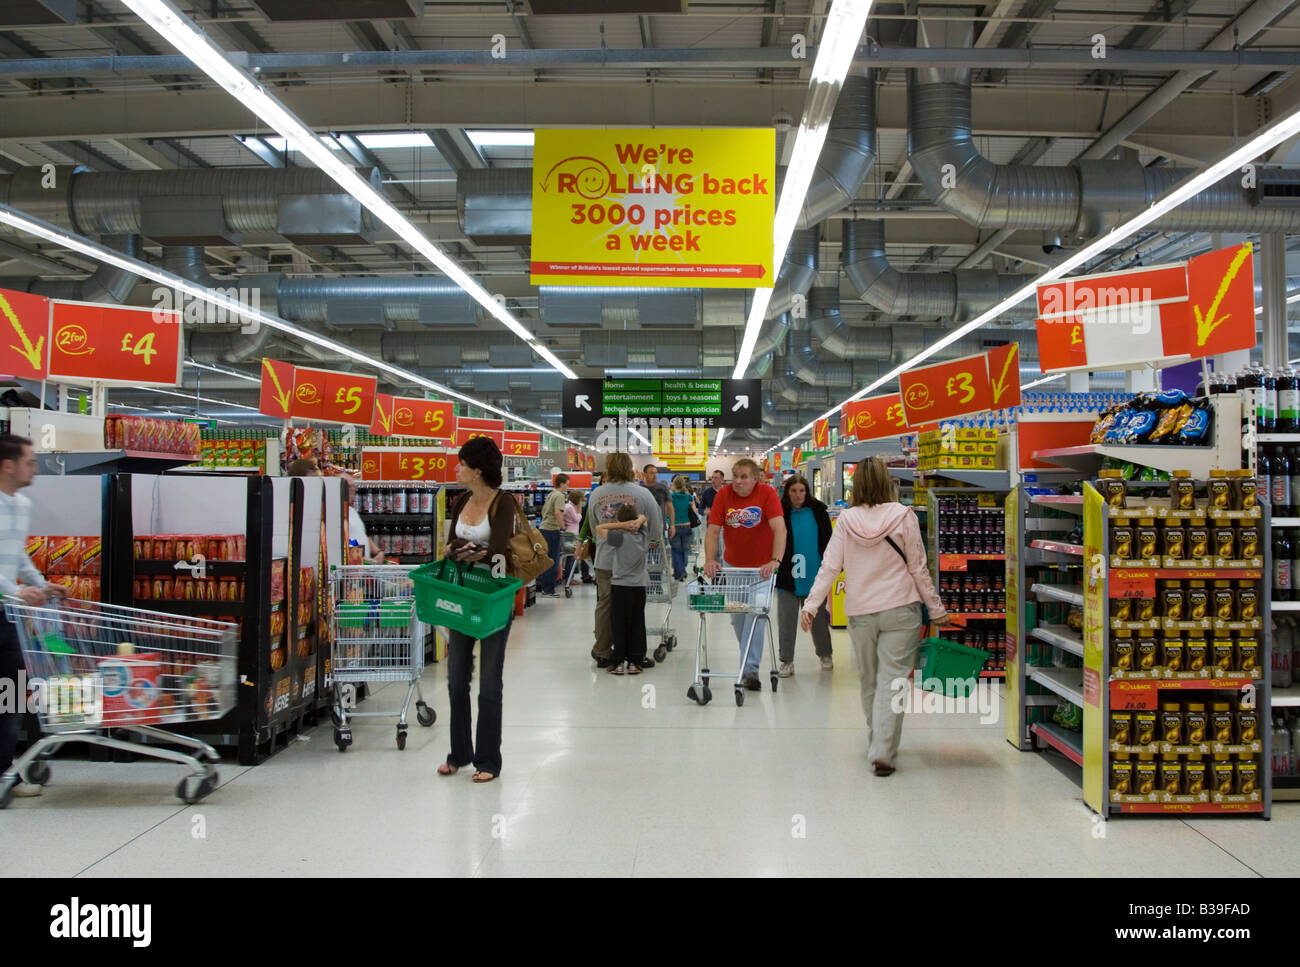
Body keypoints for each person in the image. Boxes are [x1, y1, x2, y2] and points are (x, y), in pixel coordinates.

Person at [801, 457, 951, 777]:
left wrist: (811, 606)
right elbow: (918, 568)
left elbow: (830, 566)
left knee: (870, 681)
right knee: (893, 680)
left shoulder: (846, 519)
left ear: (857, 486)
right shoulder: (904, 516)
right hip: (901, 610)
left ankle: (879, 741)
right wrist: (936, 610)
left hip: (861, 613)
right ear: (888, 482)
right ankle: (882, 747)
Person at [437, 436, 519, 783]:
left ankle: (488, 760)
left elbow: (498, 553)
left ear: (477, 470)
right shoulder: (460, 502)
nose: (456, 469)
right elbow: (450, 545)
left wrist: (462, 549)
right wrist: (466, 549)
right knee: (456, 679)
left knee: (489, 682)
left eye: (461, 464)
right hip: (461, 596)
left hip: (494, 599)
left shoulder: (504, 503)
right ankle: (459, 753)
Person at [0, 434, 67, 797]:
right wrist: (13, 590)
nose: (35, 468)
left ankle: (5, 772)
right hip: (8, 602)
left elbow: (17, 555)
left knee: (7, 697)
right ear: (7, 465)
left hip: (7, 616)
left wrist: (42, 584)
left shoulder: (21, 505)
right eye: (29, 461)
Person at [704, 457, 786, 691]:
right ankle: (748, 660)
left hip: (762, 569)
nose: (738, 481)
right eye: (735, 476)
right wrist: (711, 559)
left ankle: (749, 671)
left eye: (743, 477)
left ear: (755, 478)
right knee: (737, 617)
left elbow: (780, 529)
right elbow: (712, 530)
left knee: (755, 616)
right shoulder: (724, 495)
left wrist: (775, 560)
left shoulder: (767, 494)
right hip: (734, 566)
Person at [585, 453, 663, 669]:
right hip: (633, 562)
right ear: (630, 468)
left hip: (605, 560)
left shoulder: (597, 494)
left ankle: (602, 651)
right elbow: (656, 529)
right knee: (634, 609)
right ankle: (634, 653)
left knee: (605, 605)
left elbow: (593, 528)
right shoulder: (643, 494)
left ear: (608, 468)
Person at [775, 474, 833, 677]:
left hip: (814, 576)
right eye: (793, 491)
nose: (798, 495)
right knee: (786, 621)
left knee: (818, 621)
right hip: (787, 576)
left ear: (807, 492)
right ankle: (787, 661)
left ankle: (825, 655)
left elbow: (828, 541)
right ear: (787, 492)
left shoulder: (818, 511)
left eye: (802, 490)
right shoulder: (780, 513)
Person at [595, 504, 650, 675]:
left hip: (620, 586)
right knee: (637, 623)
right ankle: (635, 661)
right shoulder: (643, 535)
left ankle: (618, 662)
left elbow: (598, 528)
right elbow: (644, 518)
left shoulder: (618, 537)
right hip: (639, 586)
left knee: (618, 624)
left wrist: (620, 525)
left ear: (619, 520)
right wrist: (638, 521)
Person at [537, 474, 569, 597]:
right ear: (561, 484)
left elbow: (544, 511)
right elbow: (557, 512)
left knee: (546, 559)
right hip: (552, 529)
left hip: (544, 528)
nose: (567, 486)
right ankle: (549, 589)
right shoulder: (560, 496)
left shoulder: (551, 494)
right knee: (553, 560)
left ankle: (545, 588)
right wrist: (563, 526)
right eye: (567, 483)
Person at [343, 474, 385, 563]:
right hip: (351, 569)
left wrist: (378, 551)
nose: (353, 489)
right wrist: (361, 558)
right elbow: (342, 542)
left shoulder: (351, 511)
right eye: (349, 486)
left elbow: (361, 535)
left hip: (362, 567)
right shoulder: (336, 513)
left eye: (354, 486)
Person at [668, 475, 697, 582]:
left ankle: (680, 573)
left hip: (674, 526)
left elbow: (668, 512)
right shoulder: (689, 497)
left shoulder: (670, 497)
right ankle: (682, 571)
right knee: (685, 550)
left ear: (674, 484)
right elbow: (695, 512)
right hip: (687, 526)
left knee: (676, 551)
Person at [563, 490, 594, 584]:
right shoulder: (569, 507)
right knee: (572, 557)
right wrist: (580, 509)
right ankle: (569, 578)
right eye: (581, 500)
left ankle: (571, 577)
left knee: (572, 557)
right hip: (571, 534)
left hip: (574, 533)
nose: (582, 502)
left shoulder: (571, 507)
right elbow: (578, 519)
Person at [642, 464, 674, 538]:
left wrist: (672, 525)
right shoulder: (640, 489)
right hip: (642, 529)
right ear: (645, 474)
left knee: (656, 547)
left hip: (658, 528)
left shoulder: (663, 488)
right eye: (652, 473)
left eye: (656, 473)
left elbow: (670, 507)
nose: (655, 475)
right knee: (644, 549)